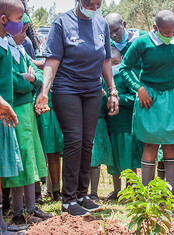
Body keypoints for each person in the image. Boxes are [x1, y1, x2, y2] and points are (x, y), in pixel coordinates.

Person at [34, 0, 120, 217]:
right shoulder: (62, 23)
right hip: (66, 89)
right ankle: (68, 200)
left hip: (92, 90)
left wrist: (112, 90)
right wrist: (45, 90)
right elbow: (52, 61)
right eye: (89, 4)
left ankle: (83, 195)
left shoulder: (101, 24)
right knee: (74, 141)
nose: (94, 8)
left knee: (87, 142)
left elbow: (106, 61)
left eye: (98, 4)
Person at [120, 10, 174, 194]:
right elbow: (125, 68)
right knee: (151, 143)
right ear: (155, 28)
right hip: (150, 99)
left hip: (172, 96)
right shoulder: (142, 42)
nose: (171, 36)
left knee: (171, 143)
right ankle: (147, 194)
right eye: (167, 33)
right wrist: (139, 88)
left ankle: (169, 194)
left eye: (173, 32)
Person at [2, 13, 51, 225]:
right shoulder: (6, 51)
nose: (24, 35)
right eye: (21, 31)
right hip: (14, 111)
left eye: (25, 31)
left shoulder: (21, 51)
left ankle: (32, 207)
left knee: (30, 157)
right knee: (19, 158)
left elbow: (38, 77)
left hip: (28, 112)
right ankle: (18, 211)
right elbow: (13, 83)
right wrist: (29, 80)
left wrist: (31, 78)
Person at [0, 0, 26, 233]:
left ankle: (1, 225)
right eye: (19, 19)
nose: (21, 25)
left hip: (4, 117)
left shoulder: (6, 43)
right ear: (3, 19)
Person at [105, 47, 143, 200]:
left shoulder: (127, 76)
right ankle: (117, 190)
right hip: (111, 126)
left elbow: (136, 97)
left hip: (126, 126)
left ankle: (131, 189)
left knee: (128, 158)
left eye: (116, 62)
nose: (114, 66)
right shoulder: (104, 78)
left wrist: (120, 99)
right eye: (110, 63)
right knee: (114, 161)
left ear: (121, 60)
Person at [89, 83, 113, 201]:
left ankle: (94, 192)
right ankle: (80, 192)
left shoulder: (103, 80)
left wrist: (104, 96)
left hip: (98, 122)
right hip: (83, 120)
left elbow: (108, 103)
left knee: (95, 159)